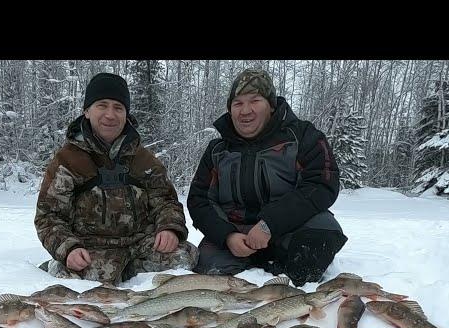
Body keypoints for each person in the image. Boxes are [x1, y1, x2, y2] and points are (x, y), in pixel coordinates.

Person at [187, 68, 347, 286]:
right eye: (237, 103)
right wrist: (227, 236)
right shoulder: (217, 150)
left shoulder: (304, 136)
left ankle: (293, 281)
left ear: (271, 105)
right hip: (236, 234)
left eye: (255, 100)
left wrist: (269, 224)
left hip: (288, 229)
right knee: (209, 272)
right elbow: (199, 200)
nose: (245, 111)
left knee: (324, 232)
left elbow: (322, 184)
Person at [35, 72, 198, 285]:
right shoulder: (68, 160)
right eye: (102, 105)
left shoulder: (143, 158)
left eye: (118, 107)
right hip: (90, 249)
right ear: (87, 111)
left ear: (126, 115)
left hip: (139, 245)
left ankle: (130, 275)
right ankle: (59, 264)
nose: (110, 115)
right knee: (75, 278)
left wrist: (169, 228)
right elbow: (48, 217)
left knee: (185, 256)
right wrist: (69, 249)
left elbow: (166, 201)